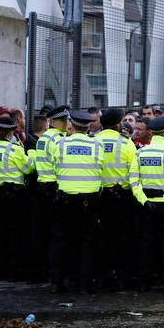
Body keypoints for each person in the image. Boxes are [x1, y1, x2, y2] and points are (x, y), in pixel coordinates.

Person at [50, 110, 104, 294]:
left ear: (71, 123)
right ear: (88, 125)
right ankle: (84, 284)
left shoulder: (60, 143)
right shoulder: (97, 145)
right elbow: (102, 166)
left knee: (62, 241)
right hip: (90, 200)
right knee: (88, 242)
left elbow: (54, 163)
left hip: (66, 198)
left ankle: (57, 282)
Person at [129, 117, 164, 292]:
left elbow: (133, 181)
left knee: (146, 243)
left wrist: (144, 199)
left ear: (151, 133)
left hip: (146, 204)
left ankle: (144, 282)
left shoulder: (140, 153)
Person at [0, 116, 34, 281]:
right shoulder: (14, 149)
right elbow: (28, 168)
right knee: (15, 232)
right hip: (14, 195)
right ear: (10, 132)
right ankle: (14, 271)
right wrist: (31, 155)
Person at [97, 109, 137, 290]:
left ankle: (101, 277)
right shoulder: (126, 144)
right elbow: (133, 172)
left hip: (97, 196)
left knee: (101, 238)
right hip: (121, 197)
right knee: (122, 239)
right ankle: (122, 278)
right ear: (116, 124)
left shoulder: (93, 141)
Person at [31, 105, 69, 283]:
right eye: (63, 121)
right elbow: (61, 165)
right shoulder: (59, 140)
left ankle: (39, 271)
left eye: (66, 120)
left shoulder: (44, 138)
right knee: (57, 234)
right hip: (54, 188)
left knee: (41, 232)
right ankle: (55, 273)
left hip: (42, 188)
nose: (66, 124)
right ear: (52, 122)